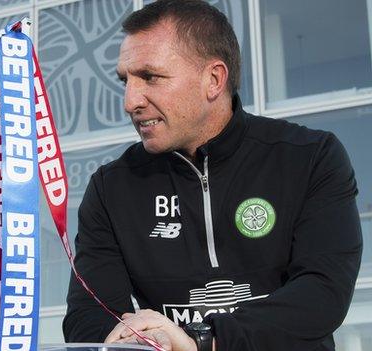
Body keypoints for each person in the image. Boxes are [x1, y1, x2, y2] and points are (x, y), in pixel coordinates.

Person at [62, 1, 363, 350]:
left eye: (150, 77)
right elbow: (89, 317)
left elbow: (323, 294)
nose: (130, 101)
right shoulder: (110, 188)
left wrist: (202, 341)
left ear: (214, 79)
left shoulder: (311, 157)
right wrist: (135, 340)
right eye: (125, 80)